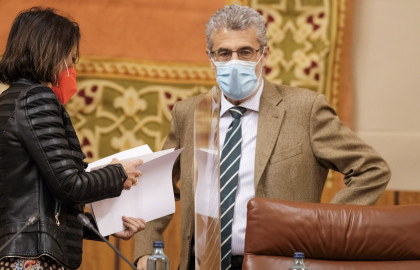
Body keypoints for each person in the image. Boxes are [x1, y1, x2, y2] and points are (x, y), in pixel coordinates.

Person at [134, 4, 391, 270]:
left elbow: (371, 169)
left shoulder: (305, 110)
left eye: (245, 52)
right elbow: (158, 183)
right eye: (224, 53)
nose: (234, 61)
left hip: (278, 262)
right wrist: (145, 247)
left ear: (264, 55)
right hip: (201, 263)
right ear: (211, 58)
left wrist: (322, 223)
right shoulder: (190, 112)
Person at [0, 7, 145, 270]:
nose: (71, 66)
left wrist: (108, 226)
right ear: (51, 52)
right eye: (70, 59)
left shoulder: (4, 106)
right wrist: (118, 173)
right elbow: (70, 185)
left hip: (14, 257)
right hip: (34, 261)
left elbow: (48, 205)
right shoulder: (36, 99)